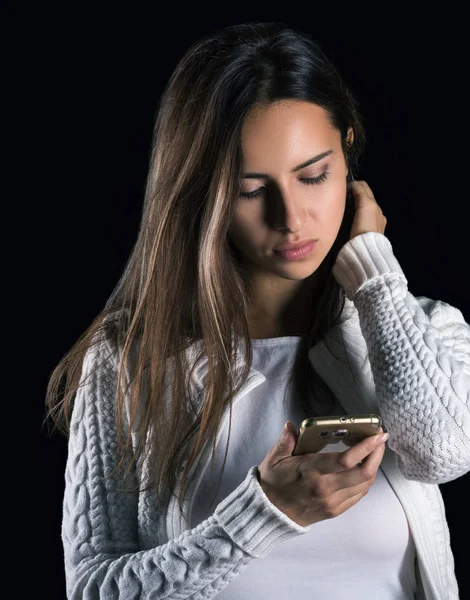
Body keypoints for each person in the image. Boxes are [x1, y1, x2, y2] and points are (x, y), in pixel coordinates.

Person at [44, 21, 470, 599]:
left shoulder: (427, 328)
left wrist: (374, 272)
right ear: (203, 192)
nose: (291, 218)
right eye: (250, 190)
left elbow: (445, 451)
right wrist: (265, 511)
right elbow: (93, 589)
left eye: (314, 175)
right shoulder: (128, 360)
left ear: (348, 151)